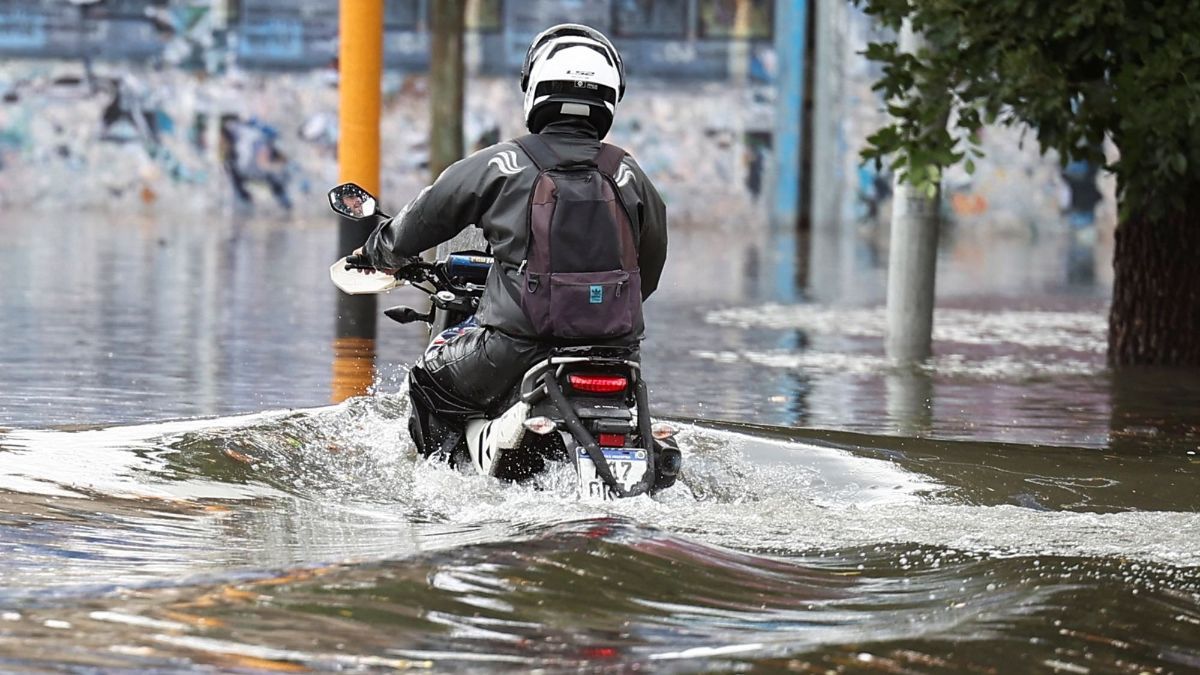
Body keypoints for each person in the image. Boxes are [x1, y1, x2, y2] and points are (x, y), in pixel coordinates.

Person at [351, 24, 668, 453]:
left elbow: (425, 216)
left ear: (536, 88)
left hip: (516, 347)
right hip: (617, 355)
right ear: (610, 97)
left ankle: (439, 491)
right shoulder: (630, 175)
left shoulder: (504, 163)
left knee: (426, 381)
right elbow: (647, 272)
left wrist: (378, 251)